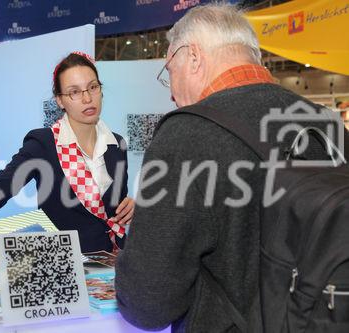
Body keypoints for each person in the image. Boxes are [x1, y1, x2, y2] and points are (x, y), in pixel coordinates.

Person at [115, 3, 336, 332]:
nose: (172, 94)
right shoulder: (329, 128)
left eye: (169, 72)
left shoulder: (186, 135)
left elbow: (148, 302)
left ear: (193, 57)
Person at [0, 52, 134, 253]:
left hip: (116, 256)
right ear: (60, 100)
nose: (87, 98)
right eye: (74, 92)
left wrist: (128, 206)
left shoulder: (117, 144)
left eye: (93, 87)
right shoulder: (45, 143)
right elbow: (5, 182)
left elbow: (113, 203)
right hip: (65, 264)